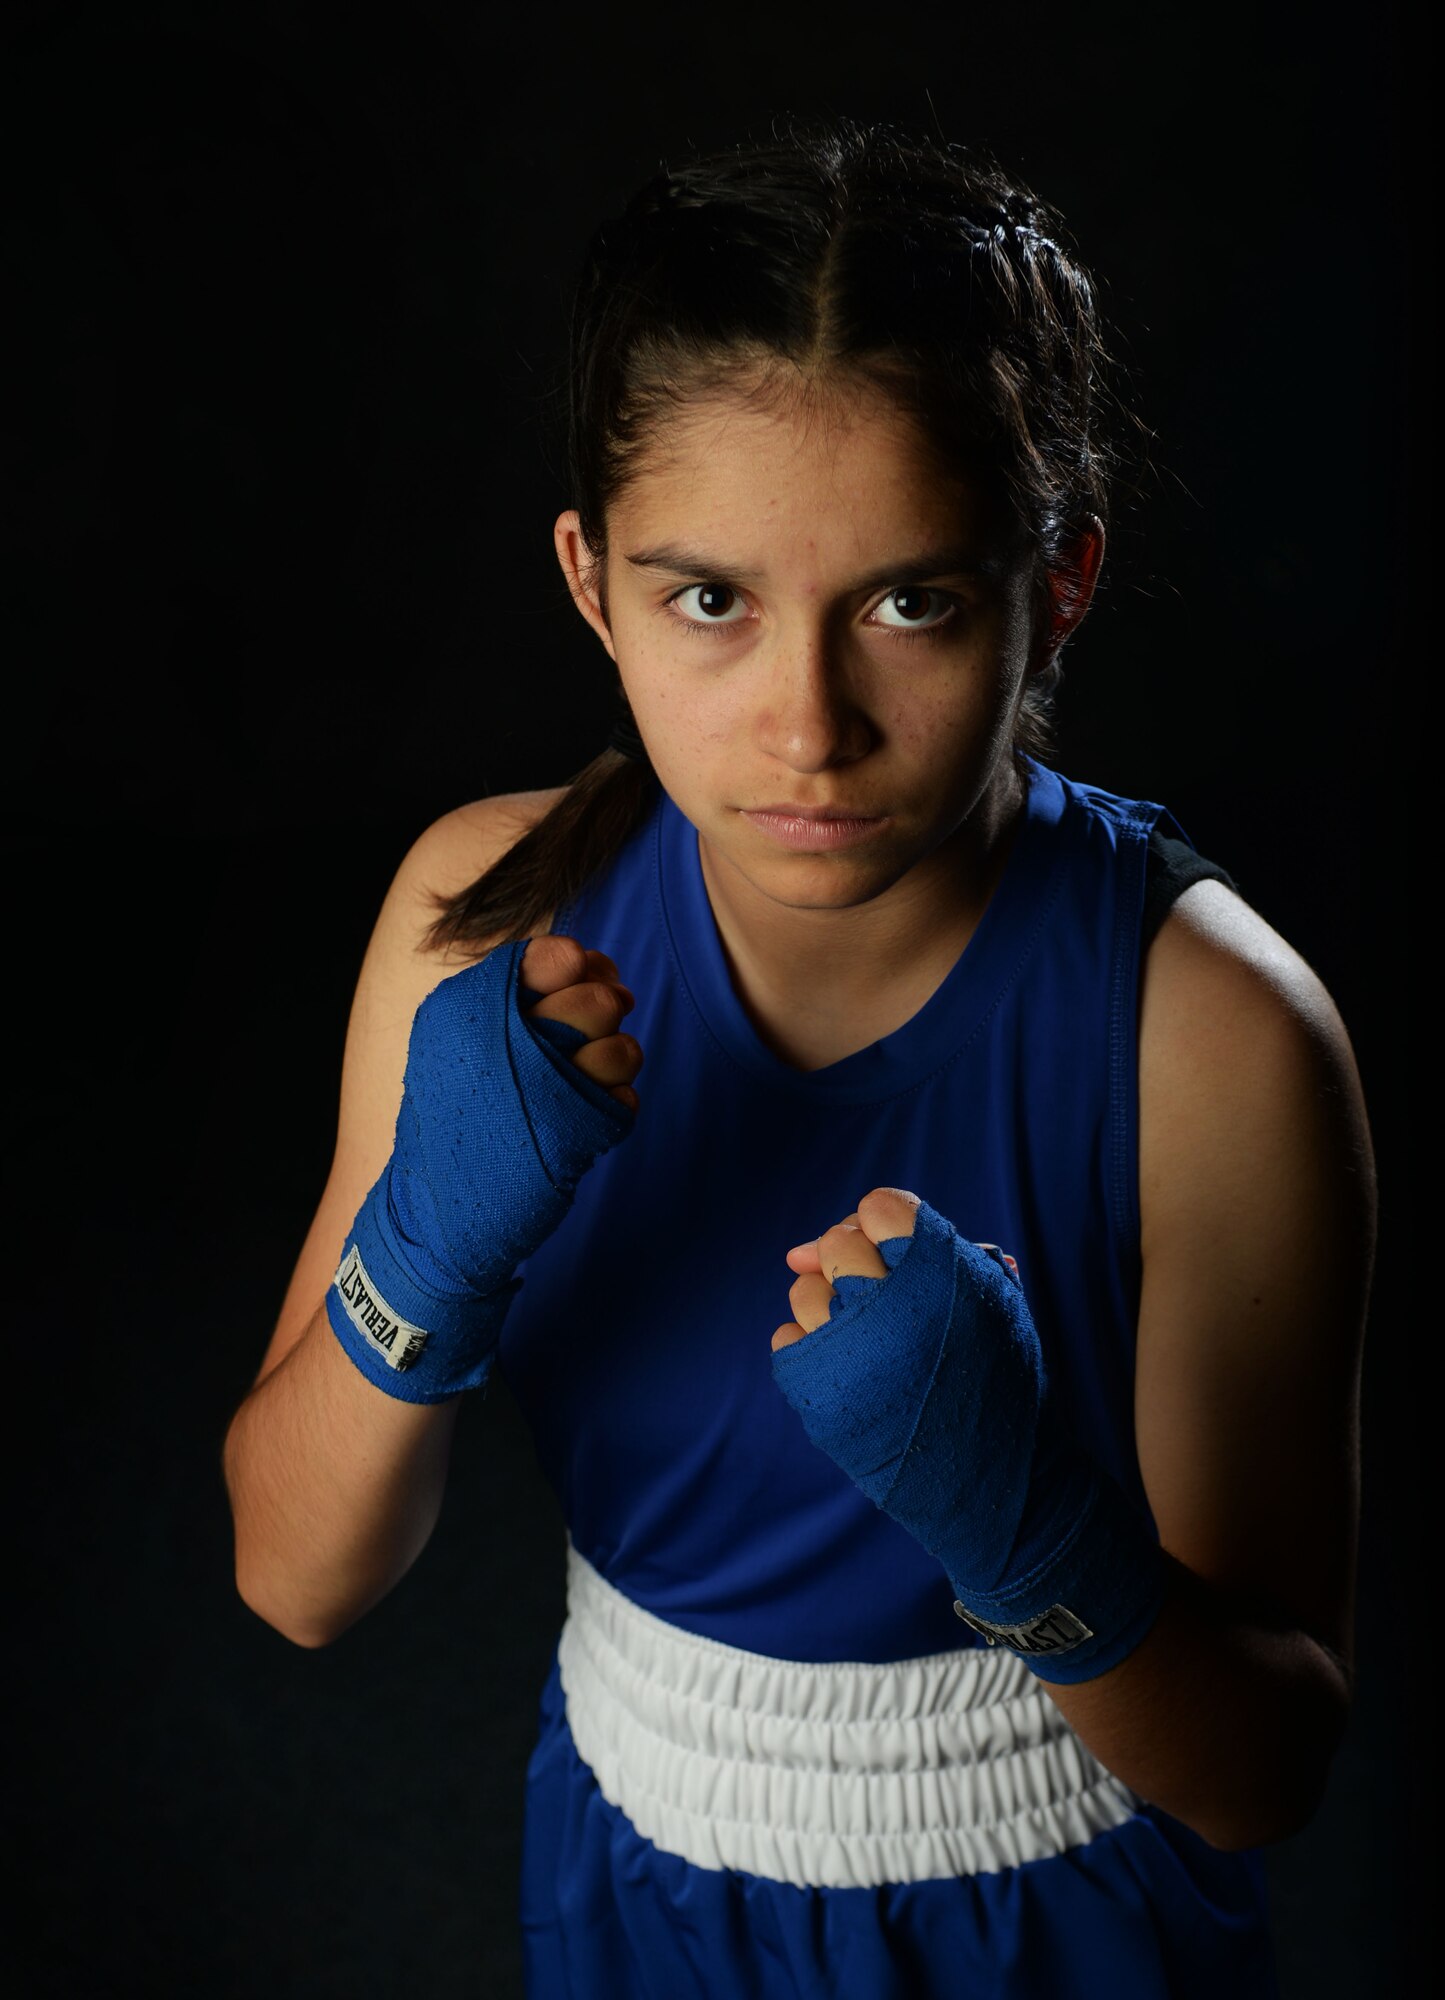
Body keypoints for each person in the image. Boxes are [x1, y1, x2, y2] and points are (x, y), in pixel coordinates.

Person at [221, 118, 1375, 1997]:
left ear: (1053, 587)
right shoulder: (488, 915)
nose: (808, 725)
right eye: (712, 602)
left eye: (909, 602)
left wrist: (1030, 1525)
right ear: (593, 584)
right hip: (627, 1859)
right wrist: (419, 1253)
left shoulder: (1212, 1034)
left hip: (1062, 1904)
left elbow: (1264, 1777)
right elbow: (294, 1576)